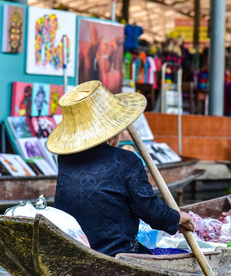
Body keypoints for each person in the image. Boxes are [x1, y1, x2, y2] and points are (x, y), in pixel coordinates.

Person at [47, 81, 194, 257]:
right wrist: (177, 218)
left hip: (72, 247)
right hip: (116, 253)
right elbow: (149, 210)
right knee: (177, 253)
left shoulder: (65, 159)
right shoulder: (127, 160)